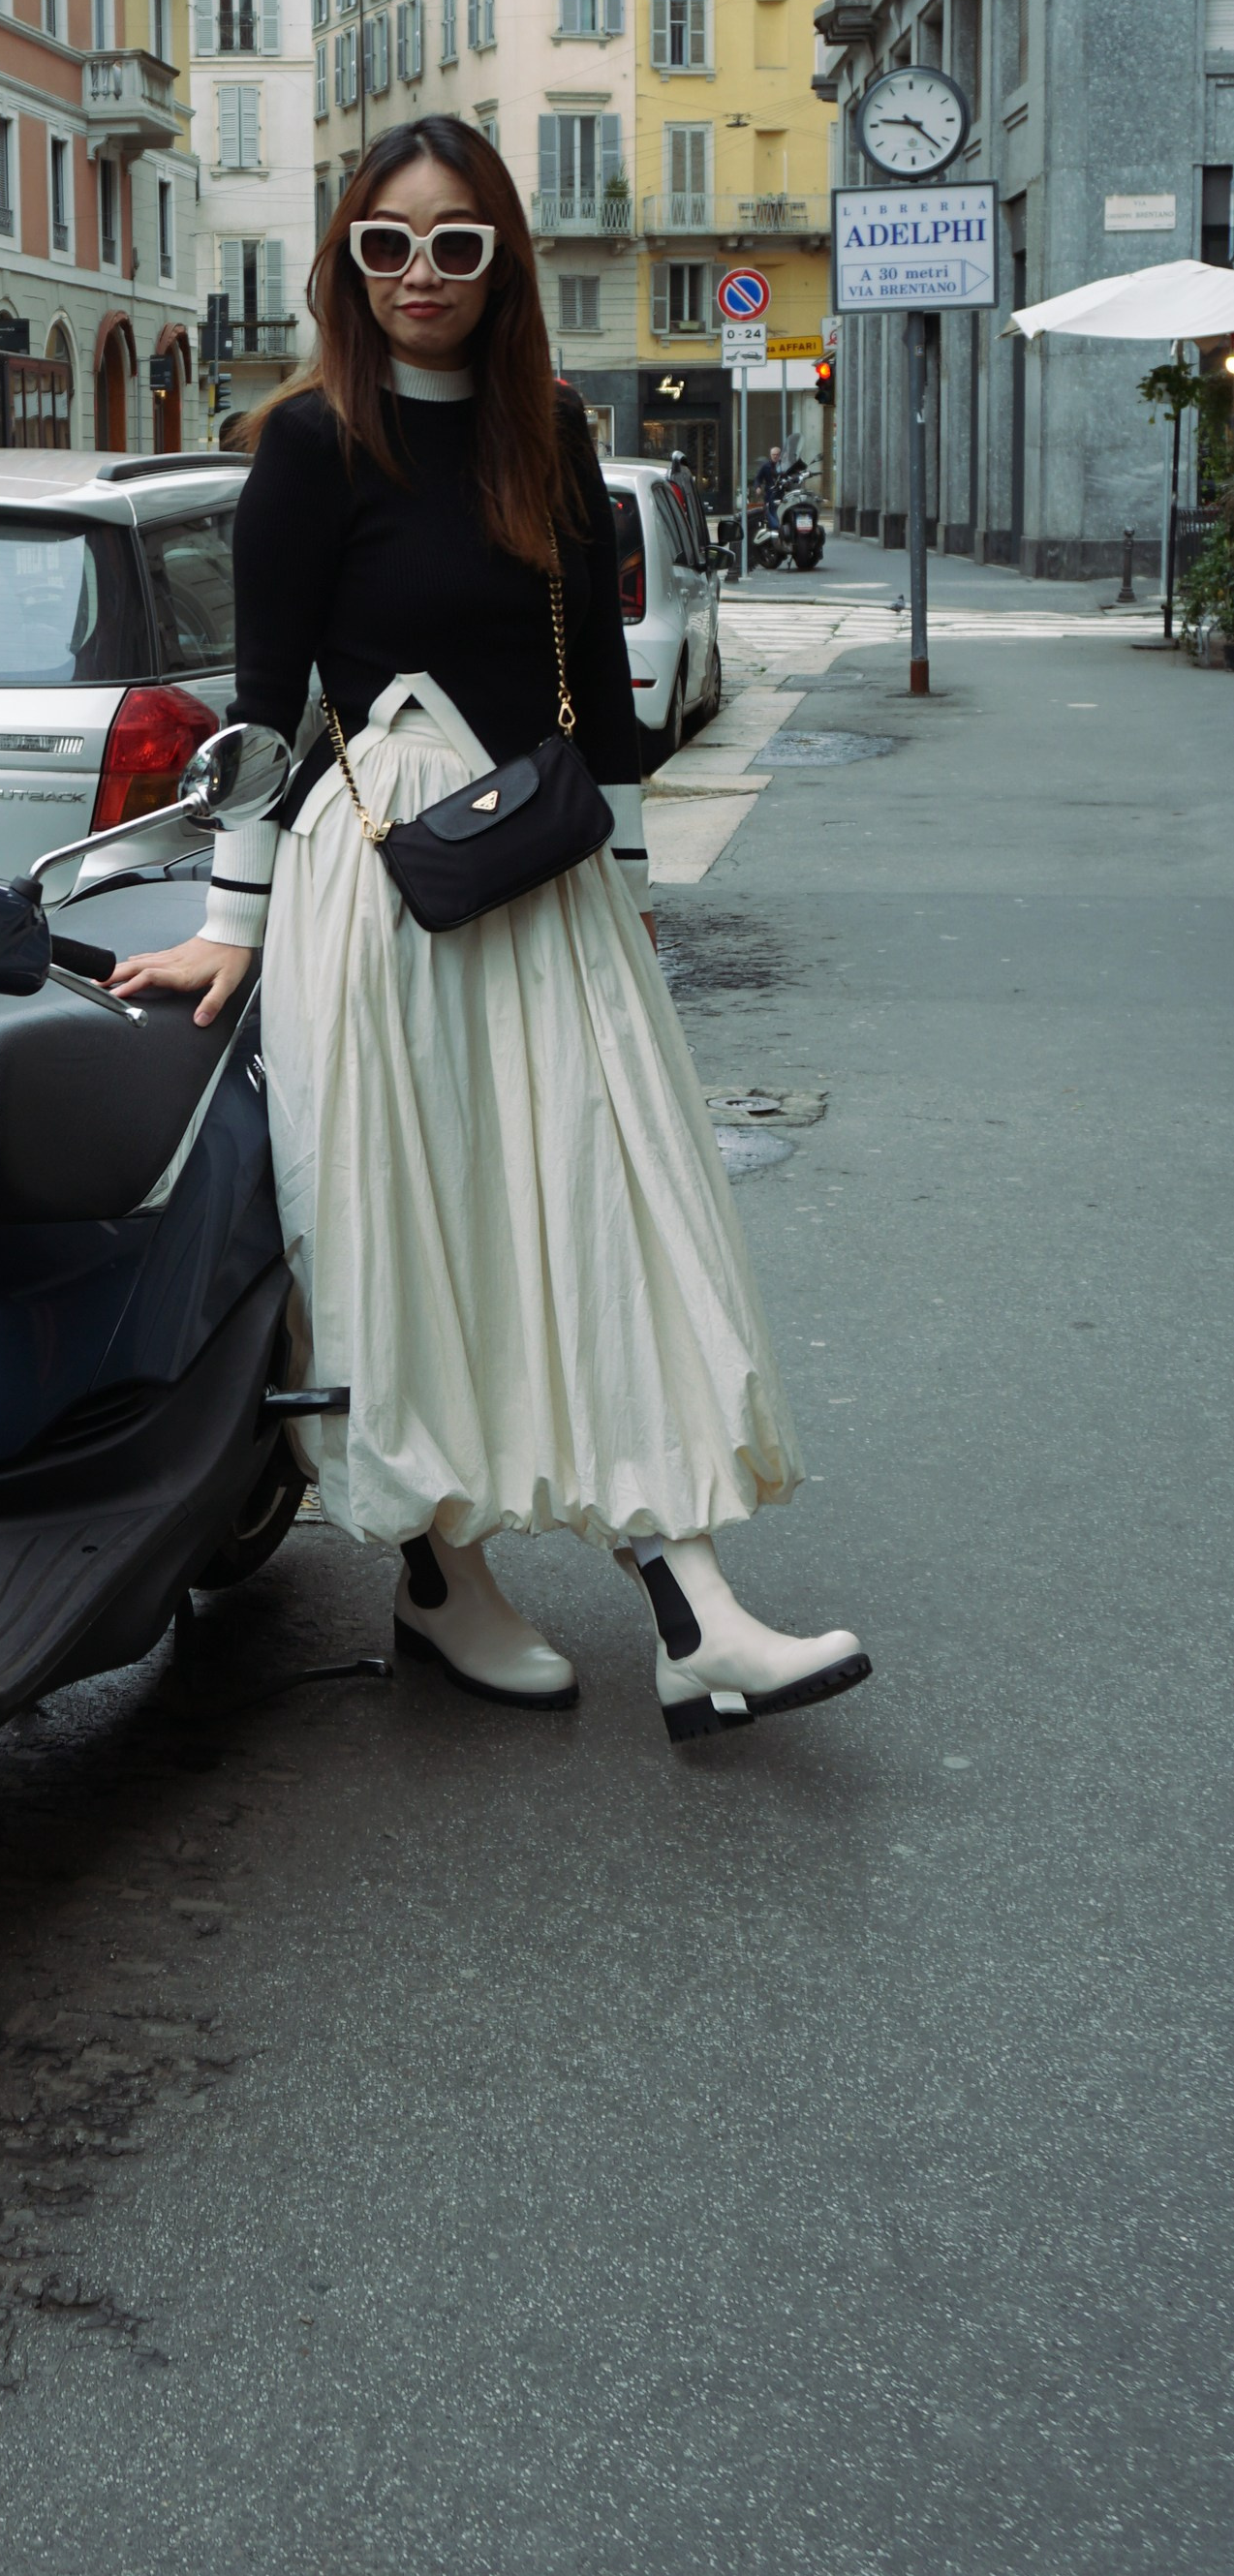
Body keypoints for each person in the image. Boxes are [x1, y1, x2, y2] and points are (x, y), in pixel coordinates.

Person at [109, 116, 869, 1745]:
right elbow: (260, 713)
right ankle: (448, 1578)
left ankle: (697, 1611)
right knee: (423, 1233)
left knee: (613, 1219)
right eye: (385, 243)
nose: (419, 275)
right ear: (343, 262)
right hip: (375, 889)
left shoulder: (553, 435)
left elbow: (603, 711)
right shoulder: (309, 443)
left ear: (503, 259)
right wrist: (231, 927)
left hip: (548, 890)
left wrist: (629, 904)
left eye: (455, 242)